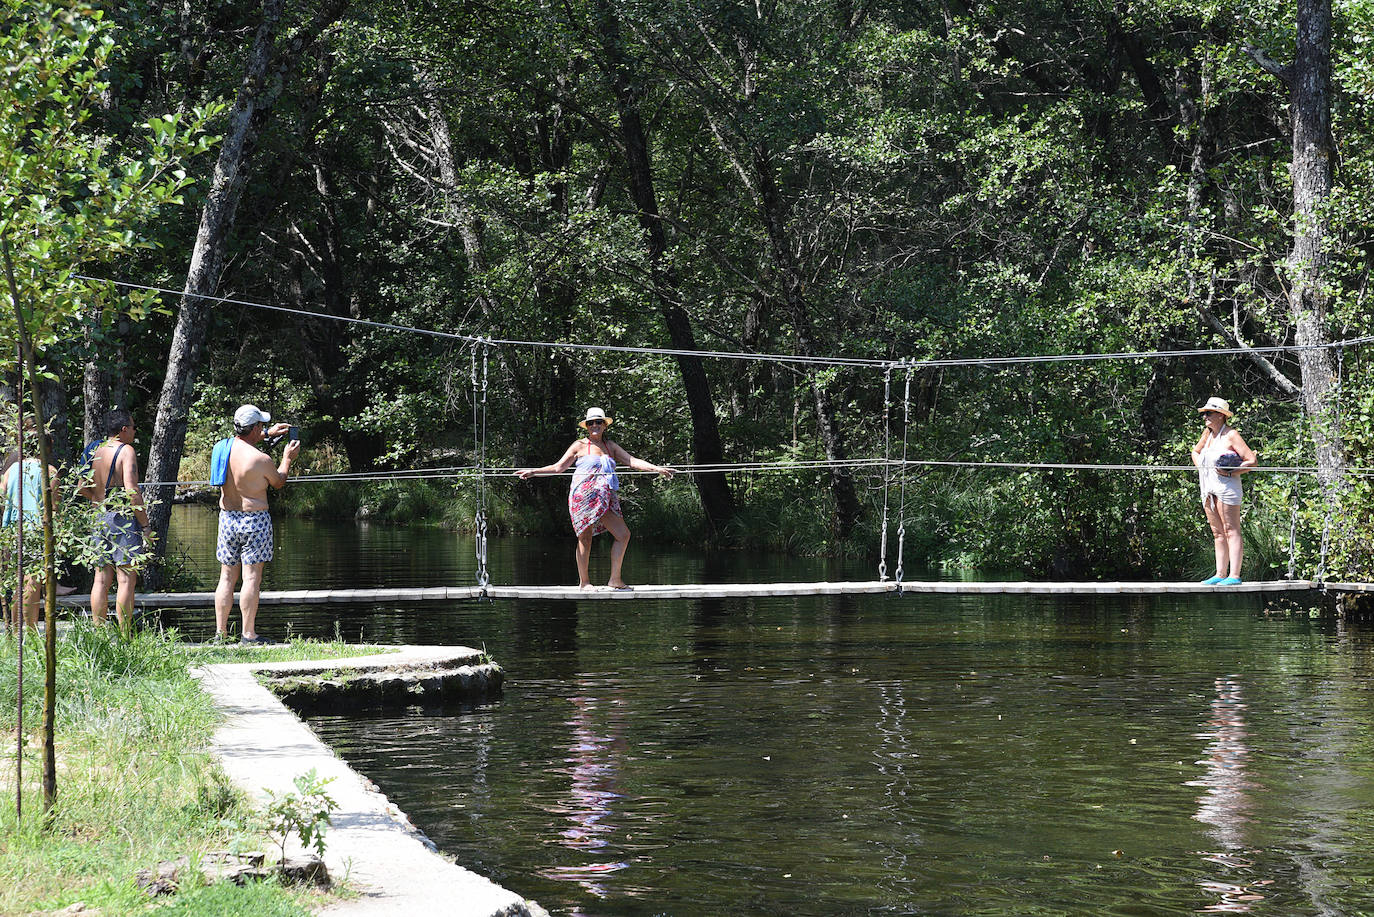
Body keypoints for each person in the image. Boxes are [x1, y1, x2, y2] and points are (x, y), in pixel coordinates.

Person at [516, 407, 674, 590]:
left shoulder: (611, 446)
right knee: (585, 538)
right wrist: (534, 472)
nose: (595, 425)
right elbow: (558, 467)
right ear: (587, 426)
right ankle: (584, 583)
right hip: (583, 497)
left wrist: (657, 469)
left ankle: (615, 580)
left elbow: (632, 461)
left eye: (598, 422)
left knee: (623, 535)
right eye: (591, 423)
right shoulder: (579, 446)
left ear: (605, 425)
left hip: (606, 497)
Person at [214, 405, 299, 643]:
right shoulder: (261, 459)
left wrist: (269, 433)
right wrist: (287, 458)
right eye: (260, 426)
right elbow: (279, 481)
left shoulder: (221, 449)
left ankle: (220, 634)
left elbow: (244, 441)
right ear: (254, 428)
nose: (262, 429)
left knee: (226, 578)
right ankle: (248, 634)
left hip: (227, 518)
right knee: (251, 578)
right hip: (254, 520)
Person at [79, 408, 151, 631]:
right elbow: (131, 490)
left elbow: (81, 486)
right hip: (122, 518)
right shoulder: (126, 450)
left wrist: (99, 501)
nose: (134, 431)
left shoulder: (96, 450)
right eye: (133, 427)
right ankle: (124, 635)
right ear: (123, 430)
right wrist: (145, 524)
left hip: (99, 516)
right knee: (126, 579)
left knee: (100, 578)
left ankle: (99, 633)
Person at [1191, 397, 1257, 586]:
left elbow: (1251, 461)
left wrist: (1231, 471)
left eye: (1209, 413)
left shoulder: (1231, 434)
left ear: (1221, 415)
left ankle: (1234, 575)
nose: (1205, 417)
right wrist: (1202, 468)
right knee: (1217, 532)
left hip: (1227, 487)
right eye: (1204, 414)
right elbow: (1195, 452)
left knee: (1231, 529)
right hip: (1207, 486)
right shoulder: (1207, 434)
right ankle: (1220, 573)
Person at [1, 430, 60, 627]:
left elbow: (2, 498)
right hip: (36, 528)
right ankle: (31, 630)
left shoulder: (12, 470)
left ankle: (16, 631)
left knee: (18, 580)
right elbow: (54, 506)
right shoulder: (49, 470)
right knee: (32, 581)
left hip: (12, 528)